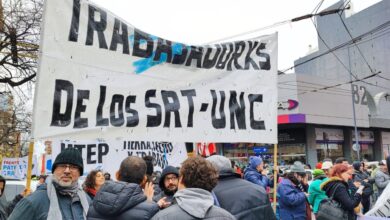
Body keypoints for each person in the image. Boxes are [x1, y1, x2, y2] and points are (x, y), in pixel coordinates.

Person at [9, 147, 90, 220]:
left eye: (73, 167)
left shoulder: (87, 200)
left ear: (80, 173)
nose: (67, 171)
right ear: (54, 170)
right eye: (62, 166)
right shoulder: (34, 201)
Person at [151, 157, 235, 220]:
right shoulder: (227, 217)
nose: (171, 182)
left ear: (181, 179)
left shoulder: (161, 218)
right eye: (167, 179)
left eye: (174, 178)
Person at [87, 156, 160, 219]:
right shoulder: (151, 210)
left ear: (117, 175)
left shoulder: (93, 205)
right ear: (144, 179)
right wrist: (148, 204)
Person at [206, 155, 275, 220]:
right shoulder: (255, 183)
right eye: (261, 163)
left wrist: (275, 176)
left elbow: (270, 184)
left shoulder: (208, 194)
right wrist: (264, 176)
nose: (263, 165)